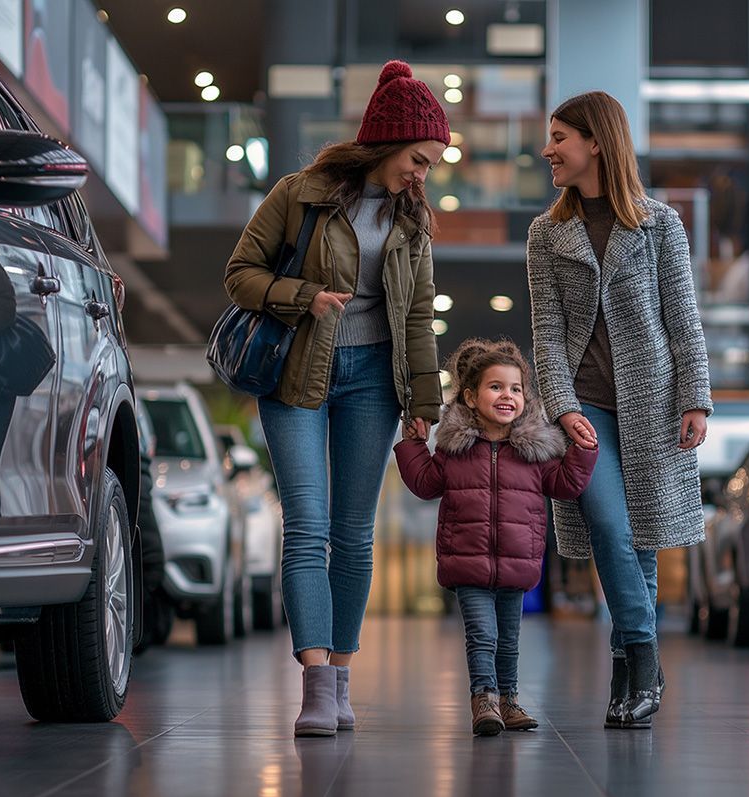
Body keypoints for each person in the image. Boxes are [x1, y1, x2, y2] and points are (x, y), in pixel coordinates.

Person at [224, 60, 449, 737]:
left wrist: (424, 402)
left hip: (374, 381)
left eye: (433, 161)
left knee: (353, 534)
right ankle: (315, 684)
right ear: (386, 144)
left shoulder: (413, 223)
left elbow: (414, 318)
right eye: (418, 158)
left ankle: (342, 678)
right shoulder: (303, 194)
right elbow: (241, 273)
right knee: (309, 527)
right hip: (296, 372)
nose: (424, 173)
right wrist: (305, 297)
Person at [526, 91, 713, 729]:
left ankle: (627, 676)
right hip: (584, 409)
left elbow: (683, 320)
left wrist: (695, 398)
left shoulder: (660, 225)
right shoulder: (546, 235)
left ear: (596, 142)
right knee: (610, 526)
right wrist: (560, 404)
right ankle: (644, 655)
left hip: (654, 402)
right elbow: (546, 332)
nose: (547, 150)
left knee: (645, 538)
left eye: (559, 138)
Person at [394, 338, 597, 736]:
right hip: (466, 561)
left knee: (509, 638)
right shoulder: (455, 449)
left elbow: (566, 484)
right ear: (470, 397)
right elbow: (425, 482)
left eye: (516, 388)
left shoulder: (536, 452)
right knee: (482, 634)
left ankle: (508, 699)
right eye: (496, 387)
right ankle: (483, 698)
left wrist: (583, 450)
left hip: (517, 562)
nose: (508, 395)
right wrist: (412, 444)